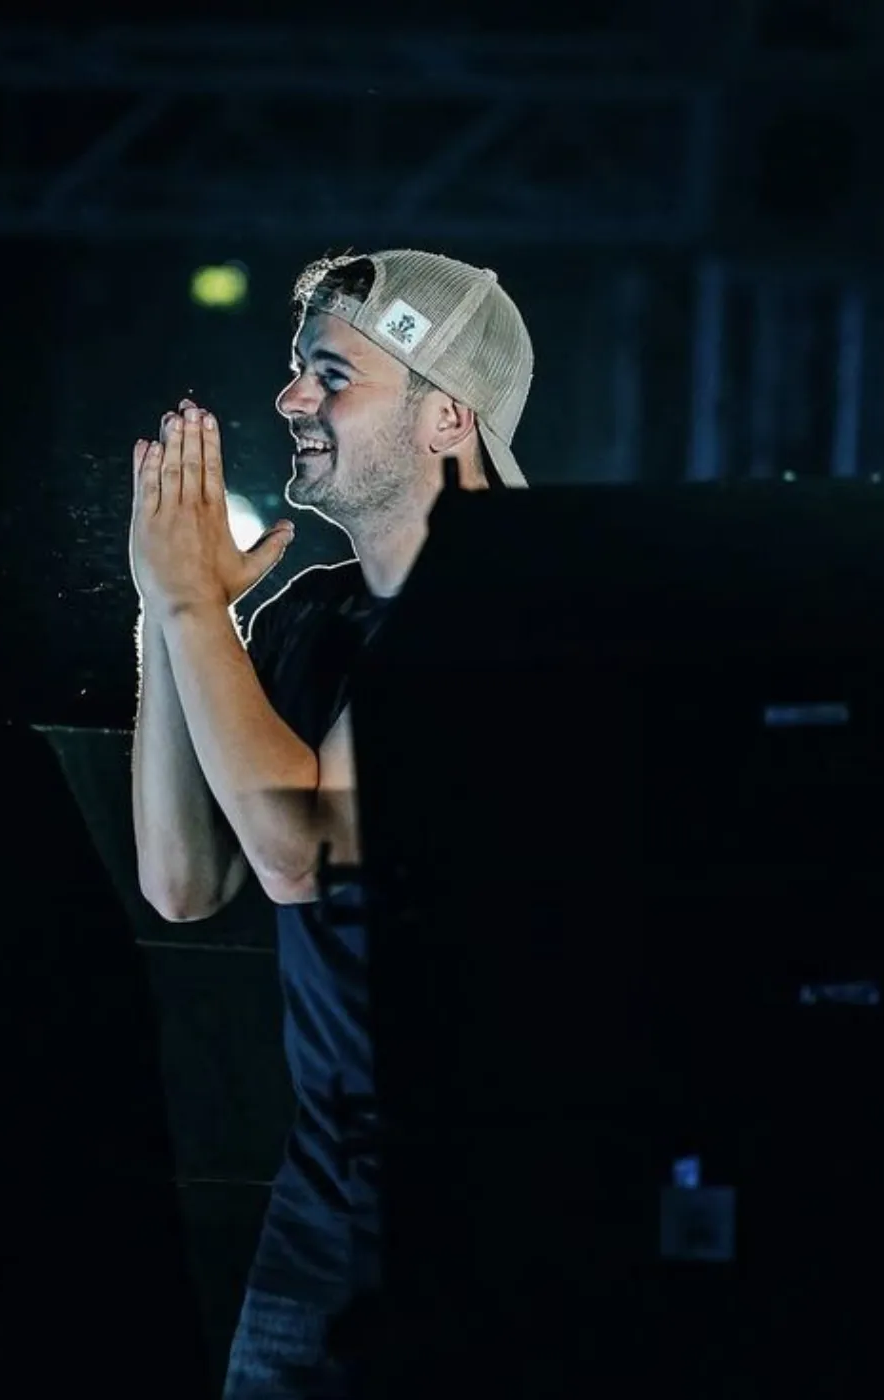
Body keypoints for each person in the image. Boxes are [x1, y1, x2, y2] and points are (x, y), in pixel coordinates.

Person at [129, 249, 535, 1398]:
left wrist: (192, 603)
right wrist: (168, 613)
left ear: (446, 415)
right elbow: (184, 881)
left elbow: (300, 849)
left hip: (490, 1213)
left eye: (331, 374)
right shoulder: (316, 615)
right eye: (295, 367)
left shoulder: (505, 603)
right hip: (325, 1204)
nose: (289, 398)